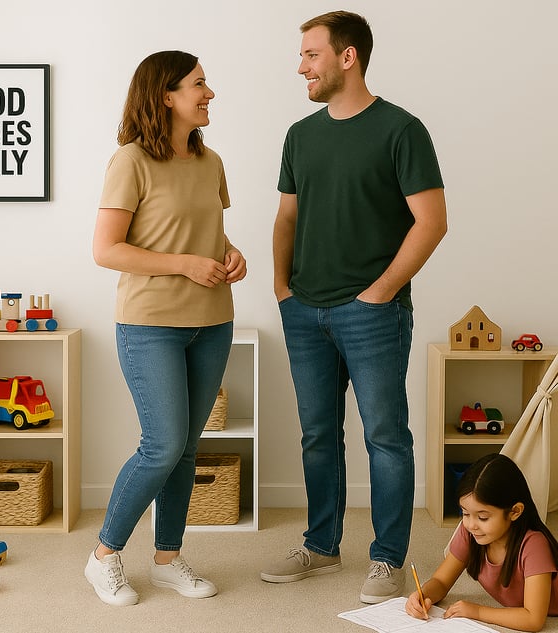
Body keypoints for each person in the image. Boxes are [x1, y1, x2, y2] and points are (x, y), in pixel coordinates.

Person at [262, 10, 447, 604]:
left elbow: (432, 222)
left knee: (386, 437)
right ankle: (320, 547)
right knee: (319, 435)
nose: (301, 66)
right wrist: (281, 288)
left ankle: (388, 559)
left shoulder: (402, 129)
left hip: (373, 313)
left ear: (348, 57)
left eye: (310, 55)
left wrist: (383, 289)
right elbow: (287, 216)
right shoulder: (300, 134)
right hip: (304, 310)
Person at [86, 50, 247, 607]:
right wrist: (183, 263)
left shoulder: (211, 162)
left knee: (186, 449)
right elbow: (106, 250)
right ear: (165, 96)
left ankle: (168, 559)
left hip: (212, 321)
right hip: (150, 325)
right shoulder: (129, 161)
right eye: (199, 84)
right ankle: (105, 555)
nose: (209, 93)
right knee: (162, 445)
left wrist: (231, 255)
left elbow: (204, 231)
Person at [406, 454, 558, 631]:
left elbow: (533, 619)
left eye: (483, 517)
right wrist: (423, 595)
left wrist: (477, 611)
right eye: (465, 513)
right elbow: (441, 581)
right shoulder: (470, 533)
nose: (471, 525)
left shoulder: (534, 545)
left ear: (515, 512)